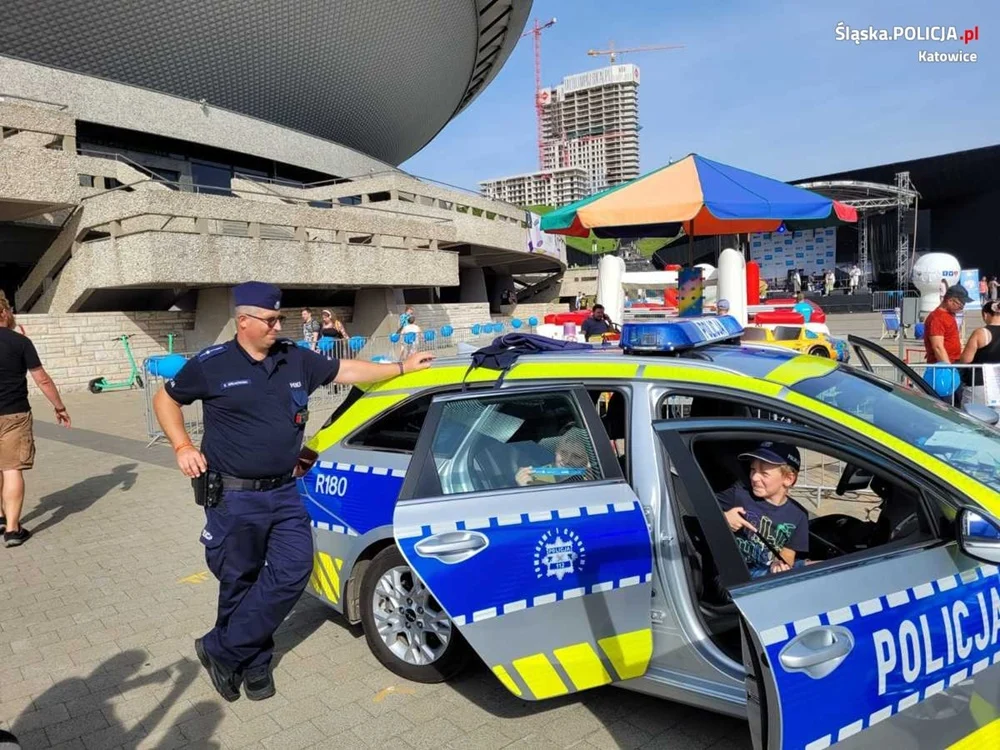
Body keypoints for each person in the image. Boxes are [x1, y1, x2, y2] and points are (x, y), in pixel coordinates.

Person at [152, 282, 433, 703]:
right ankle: (256, 662)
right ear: (243, 321)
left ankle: (221, 648)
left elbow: (347, 372)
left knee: (293, 571)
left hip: (284, 491)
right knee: (239, 578)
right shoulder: (212, 364)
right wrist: (182, 446)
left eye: (279, 318)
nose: (277, 326)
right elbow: (165, 399)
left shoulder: (293, 357)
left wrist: (401, 370)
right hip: (234, 495)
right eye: (269, 320)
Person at [0, 292, 70, 548]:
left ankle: (0, 516)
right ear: (5, 313)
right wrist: (59, 407)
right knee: (11, 469)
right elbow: (42, 379)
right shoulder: (21, 342)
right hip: (14, 414)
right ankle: (12, 529)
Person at [716, 442, 809, 578]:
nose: (754, 477)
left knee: (822, 567)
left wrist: (779, 564)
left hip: (770, 568)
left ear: (788, 479)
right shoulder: (737, 495)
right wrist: (723, 518)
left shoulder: (799, 515)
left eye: (764, 473)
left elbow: (788, 553)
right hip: (737, 575)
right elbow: (697, 508)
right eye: (753, 470)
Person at [515, 431, 593, 487]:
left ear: (588, 460)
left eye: (576, 457)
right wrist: (524, 486)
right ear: (556, 450)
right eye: (563, 453)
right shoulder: (536, 478)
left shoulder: (595, 480)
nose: (566, 461)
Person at [959, 300, 1000, 405]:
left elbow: (966, 359)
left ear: (985, 315)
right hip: (997, 383)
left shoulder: (981, 333)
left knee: (972, 418)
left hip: (980, 382)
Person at [924, 284, 971, 365]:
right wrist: (948, 368)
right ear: (950, 300)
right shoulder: (937, 318)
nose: (962, 307)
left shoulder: (948, 315)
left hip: (953, 362)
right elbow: (938, 347)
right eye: (960, 305)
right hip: (942, 366)